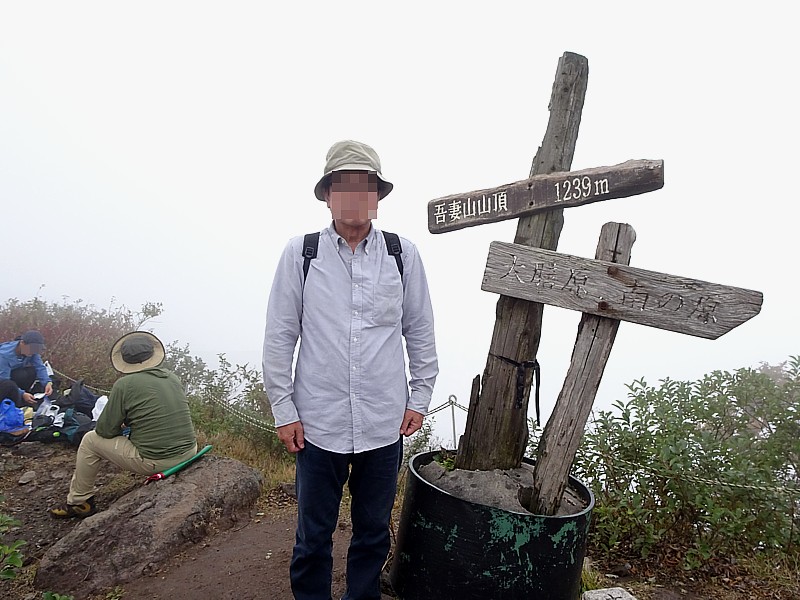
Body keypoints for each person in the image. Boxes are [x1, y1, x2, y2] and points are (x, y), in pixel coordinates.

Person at [262, 140, 438, 600]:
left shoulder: (403, 254)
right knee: (313, 535)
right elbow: (280, 336)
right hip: (318, 423)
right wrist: (283, 409)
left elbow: (419, 331)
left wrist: (419, 398)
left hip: (383, 423)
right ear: (327, 195)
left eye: (366, 187)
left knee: (373, 532)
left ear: (378, 196)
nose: (356, 198)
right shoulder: (302, 254)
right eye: (345, 187)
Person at [50, 331, 197, 518]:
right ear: (152, 354)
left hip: (158, 460)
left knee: (89, 441)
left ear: (126, 360)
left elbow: (104, 430)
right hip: (190, 450)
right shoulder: (171, 377)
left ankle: (80, 501)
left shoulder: (124, 384)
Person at [0, 330, 53, 408]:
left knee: (31, 371)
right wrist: (22, 394)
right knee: (10, 384)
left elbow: (40, 367)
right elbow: (4, 380)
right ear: (22, 343)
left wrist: (47, 382)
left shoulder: (32, 351)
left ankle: (26, 396)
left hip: (13, 373)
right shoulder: (4, 355)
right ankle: (16, 401)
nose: (33, 352)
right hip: (3, 378)